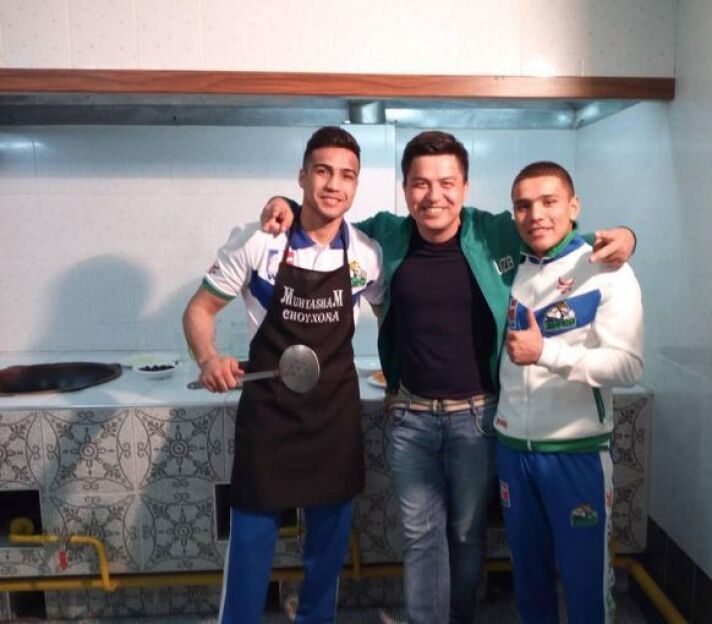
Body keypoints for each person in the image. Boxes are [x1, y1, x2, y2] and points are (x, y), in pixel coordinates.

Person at [259, 131, 636, 624]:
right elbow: (326, 223)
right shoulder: (385, 236)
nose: (433, 195)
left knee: (466, 534)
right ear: (405, 188)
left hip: (478, 418)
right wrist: (287, 204)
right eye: (420, 183)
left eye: (446, 183)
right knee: (419, 537)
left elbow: (558, 232)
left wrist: (627, 235)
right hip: (411, 417)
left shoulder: (494, 231)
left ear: (465, 187)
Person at [182, 126, 384, 623]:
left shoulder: (366, 254)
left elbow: (393, 317)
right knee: (250, 545)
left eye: (347, 175)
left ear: (356, 184)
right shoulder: (259, 241)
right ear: (302, 176)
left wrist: (403, 372)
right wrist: (208, 358)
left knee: (328, 553)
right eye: (323, 171)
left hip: (333, 415)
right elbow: (199, 309)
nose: (334, 184)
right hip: (269, 415)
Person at [495, 161, 644, 623]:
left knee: (585, 587)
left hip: (576, 454)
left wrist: (546, 353)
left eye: (549, 201)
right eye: (523, 205)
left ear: (573, 206)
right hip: (513, 451)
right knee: (528, 584)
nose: (536, 215)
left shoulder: (607, 268)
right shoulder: (507, 267)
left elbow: (629, 366)